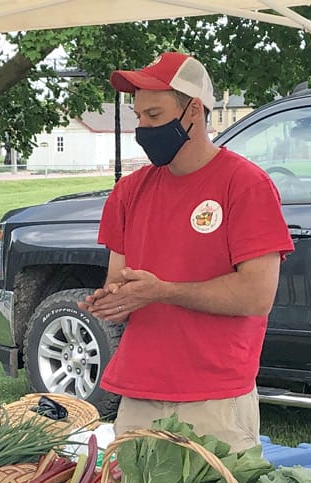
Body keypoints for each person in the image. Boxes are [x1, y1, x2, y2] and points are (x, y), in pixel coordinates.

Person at [79, 52, 294, 451]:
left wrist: (164, 291)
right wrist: (112, 300)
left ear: (194, 110)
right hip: (139, 390)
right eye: (139, 117)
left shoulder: (245, 185)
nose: (142, 128)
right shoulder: (129, 191)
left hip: (214, 394)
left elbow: (256, 295)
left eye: (154, 116)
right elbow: (119, 283)